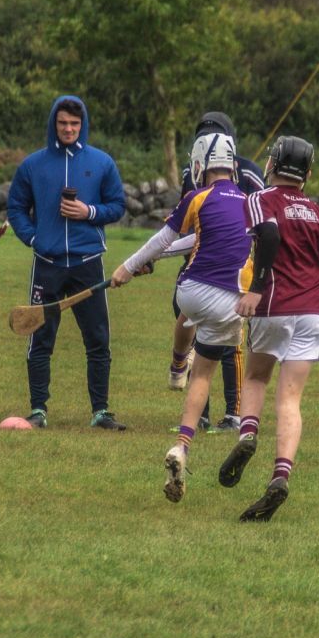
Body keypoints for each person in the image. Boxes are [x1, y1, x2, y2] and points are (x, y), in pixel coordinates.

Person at [109, 132, 252, 504]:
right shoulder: (252, 203)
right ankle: (183, 441)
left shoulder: (197, 196)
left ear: (200, 164)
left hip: (191, 290)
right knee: (203, 373)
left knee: (189, 314)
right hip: (234, 301)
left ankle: (176, 367)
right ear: (233, 165)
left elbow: (165, 239)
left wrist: (129, 266)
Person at [217, 136, 319, 522]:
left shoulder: (261, 198)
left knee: (255, 378)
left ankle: (248, 435)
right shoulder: (318, 212)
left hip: (273, 305)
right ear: (308, 172)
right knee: (290, 400)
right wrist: (313, 299)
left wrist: (256, 290)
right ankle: (280, 476)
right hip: (312, 312)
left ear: (273, 163)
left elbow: (268, 236)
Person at [7, 95, 127, 431]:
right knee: (40, 339)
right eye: (63, 123)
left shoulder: (102, 163)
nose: (69, 129)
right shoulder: (33, 165)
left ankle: (101, 412)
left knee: (98, 339)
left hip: (89, 263)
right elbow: (15, 208)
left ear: (83, 124)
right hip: (47, 263)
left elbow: (117, 206)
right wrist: (34, 238)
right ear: (53, 124)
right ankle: (38, 410)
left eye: (75, 124)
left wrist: (88, 212)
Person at [167, 111, 264, 434]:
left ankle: (233, 413)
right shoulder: (191, 173)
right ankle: (202, 413)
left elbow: (261, 223)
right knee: (191, 327)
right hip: (198, 263)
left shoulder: (249, 173)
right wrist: (161, 253)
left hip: (236, 270)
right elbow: (188, 222)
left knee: (230, 343)